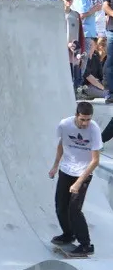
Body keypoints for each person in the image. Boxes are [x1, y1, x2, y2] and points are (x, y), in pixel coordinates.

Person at [49, 101, 101, 257]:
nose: (85, 123)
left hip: (83, 173)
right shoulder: (65, 125)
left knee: (74, 209)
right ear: (76, 115)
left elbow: (95, 160)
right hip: (66, 170)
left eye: (88, 119)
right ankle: (68, 234)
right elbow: (61, 144)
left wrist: (79, 182)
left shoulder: (94, 130)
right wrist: (55, 165)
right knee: (60, 205)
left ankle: (85, 245)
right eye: (83, 119)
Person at [79, 35, 107, 100]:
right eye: (87, 45)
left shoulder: (96, 57)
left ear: (95, 46)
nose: (89, 47)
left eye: (91, 45)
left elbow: (101, 75)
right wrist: (102, 87)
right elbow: (88, 76)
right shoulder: (83, 59)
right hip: (87, 86)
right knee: (107, 94)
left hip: (97, 84)